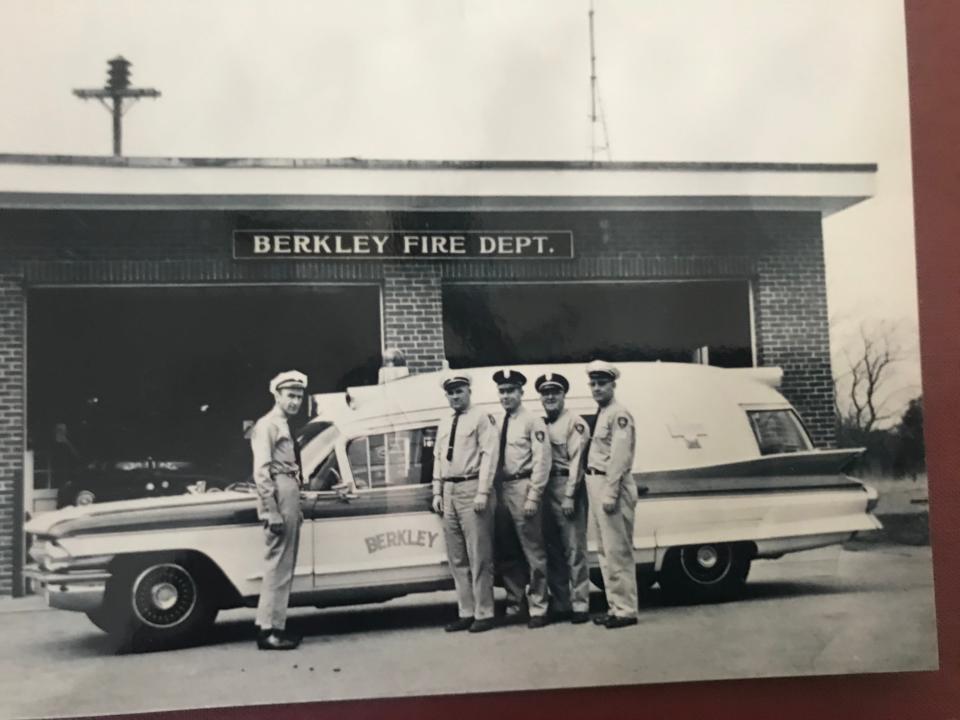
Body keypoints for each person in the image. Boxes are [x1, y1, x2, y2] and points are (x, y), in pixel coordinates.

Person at [431, 372, 500, 633]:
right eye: (450, 392)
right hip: (449, 488)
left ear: (469, 391)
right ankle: (466, 610)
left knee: (479, 554)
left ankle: (485, 612)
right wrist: (437, 491)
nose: (455, 396)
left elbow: (489, 455)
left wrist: (483, 491)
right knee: (457, 556)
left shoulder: (481, 418)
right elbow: (439, 457)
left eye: (459, 390)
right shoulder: (445, 420)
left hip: (472, 486)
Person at [250, 370, 308, 650]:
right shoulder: (268, 425)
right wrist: (271, 510)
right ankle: (269, 631)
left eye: (299, 396)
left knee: (284, 564)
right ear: (277, 395)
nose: (295, 401)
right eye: (291, 395)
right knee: (277, 564)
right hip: (279, 490)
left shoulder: (282, 423)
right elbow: (261, 472)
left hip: (289, 489)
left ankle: (275, 625)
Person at [492, 369, 552, 629]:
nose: (506, 396)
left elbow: (542, 461)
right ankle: (516, 604)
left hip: (524, 486)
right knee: (508, 551)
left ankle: (539, 606)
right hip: (503, 491)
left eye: (511, 391)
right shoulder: (499, 421)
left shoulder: (532, 422)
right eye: (502, 391)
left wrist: (534, 495)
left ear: (521, 392)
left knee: (533, 550)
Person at [583, 360, 640, 629]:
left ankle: (626, 610)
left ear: (613, 385)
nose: (597, 388)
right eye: (593, 384)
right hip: (597, 482)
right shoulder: (603, 412)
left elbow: (619, 457)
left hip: (611, 484)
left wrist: (611, 493)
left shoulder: (619, 415)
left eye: (602, 383)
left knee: (618, 552)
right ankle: (615, 607)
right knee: (606, 552)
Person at [536, 372, 591, 624]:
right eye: (545, 393)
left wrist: (570, 495)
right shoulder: (542, 423)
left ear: (563, 395)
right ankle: (561, 603)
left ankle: (581, 604)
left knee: (574, 549)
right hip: (545, 489)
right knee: (553, 550)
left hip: (566, 486)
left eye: (554, 392)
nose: (550, 397)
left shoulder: (574, 423)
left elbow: (577, 462)